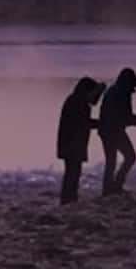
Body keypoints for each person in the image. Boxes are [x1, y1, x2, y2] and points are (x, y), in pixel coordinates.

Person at [56, 77, 104, 205]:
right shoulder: (78, 103)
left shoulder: (75, 100)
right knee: (73, 173)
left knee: (72, 173)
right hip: (72, 145)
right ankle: (68, 200)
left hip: (70, 144)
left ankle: (68, 199)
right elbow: (84, 123)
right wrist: (103, 123)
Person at [98, 67, 136, 196]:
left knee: (112, 160)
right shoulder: (122, 93)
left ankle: (109, 188)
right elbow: (125, 117)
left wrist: (133, 119)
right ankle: (115, 187)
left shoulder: (113, 91)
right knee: (129, 157)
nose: (135, 86)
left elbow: (121, 116)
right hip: (113, 131)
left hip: (107, 130)